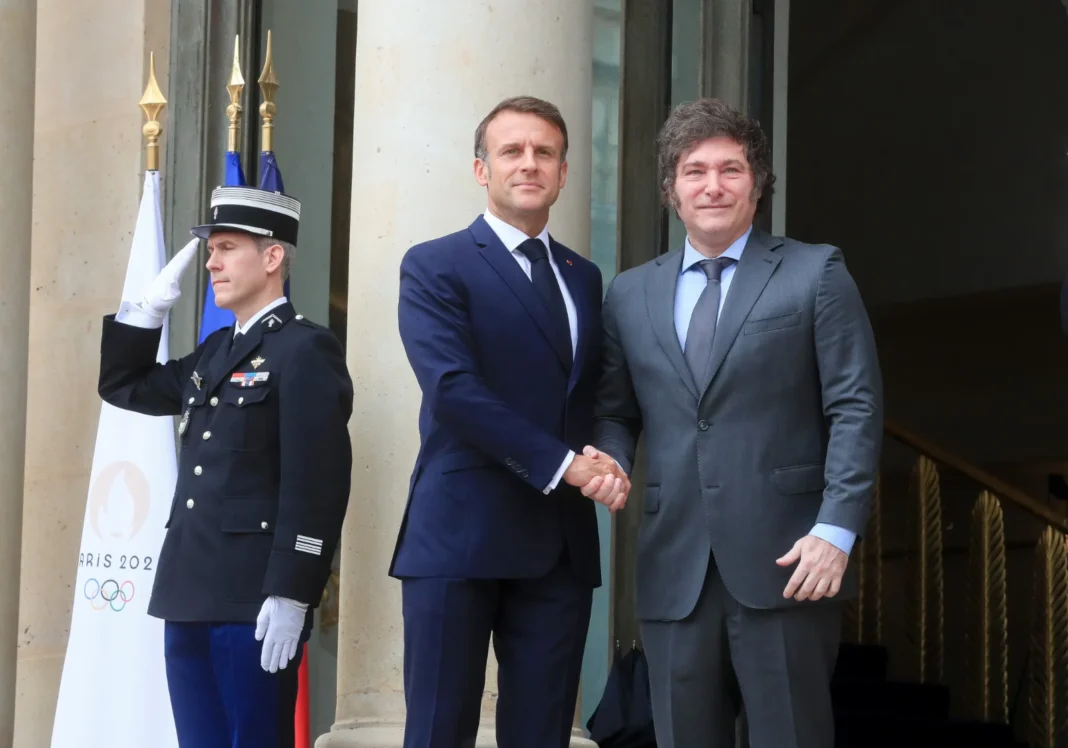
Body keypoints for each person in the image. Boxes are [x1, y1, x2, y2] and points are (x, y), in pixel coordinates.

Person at [586, 98, 883, 747]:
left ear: (758, 182)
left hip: (790, 562)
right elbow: (615, 410)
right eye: (695, 171)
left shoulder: (816, 272)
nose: (712, 185)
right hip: (674, 568)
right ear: (671, 190)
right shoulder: (630, 293)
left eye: (731, 169)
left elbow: (855, 406)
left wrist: (836, 529)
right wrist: (610, 457)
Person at [392, 95, 630, 748]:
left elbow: (595, 394)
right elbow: (453, 389)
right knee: (440, 733)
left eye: (544, 152)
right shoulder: (434, 263)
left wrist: (609, 459)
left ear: (562, 171)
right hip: (458, 535)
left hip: (558, 546)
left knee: (542, 737)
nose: (529, 164)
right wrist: (566, 466)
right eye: (512, 151)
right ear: (481, 169)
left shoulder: (584, 277)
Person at [97, 186, 353, 748]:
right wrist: (145, 313)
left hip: (253, 598)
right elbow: (124, 386)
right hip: (188, 590)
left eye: (226, 247)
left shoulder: (305, 351)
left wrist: (293, 592)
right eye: (211, 248)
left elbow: (320, 483)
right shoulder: (217, 349)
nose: (211, 262)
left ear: (272, 257)